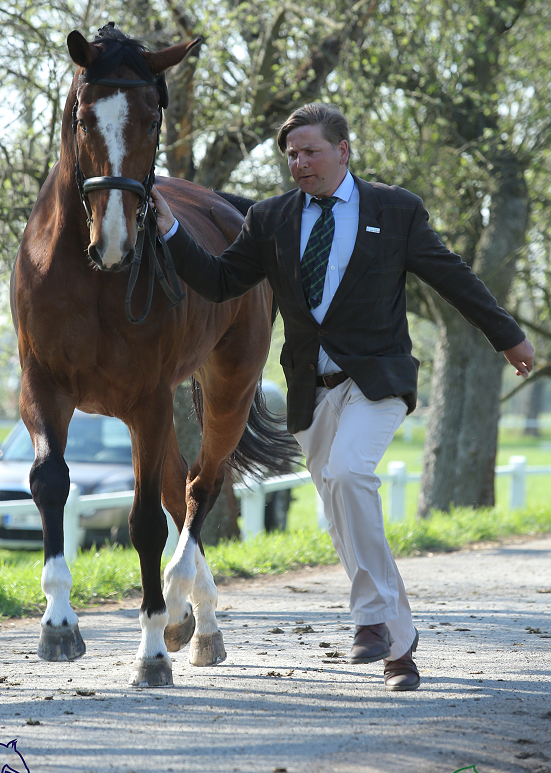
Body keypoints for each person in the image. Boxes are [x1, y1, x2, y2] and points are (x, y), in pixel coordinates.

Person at [150, 103, 534, 691]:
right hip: (312, 390)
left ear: (343, 150)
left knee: (351, 475)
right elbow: (221, 281)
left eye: (310, 151)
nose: (299, 163)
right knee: (342, 515)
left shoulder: (395, 210)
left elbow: (450, 274)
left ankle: (368, 620)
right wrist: (172, 233)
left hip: (377, 382)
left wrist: (506, 336)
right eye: (291, 155)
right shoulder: (270, 219)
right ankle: (399, 649)